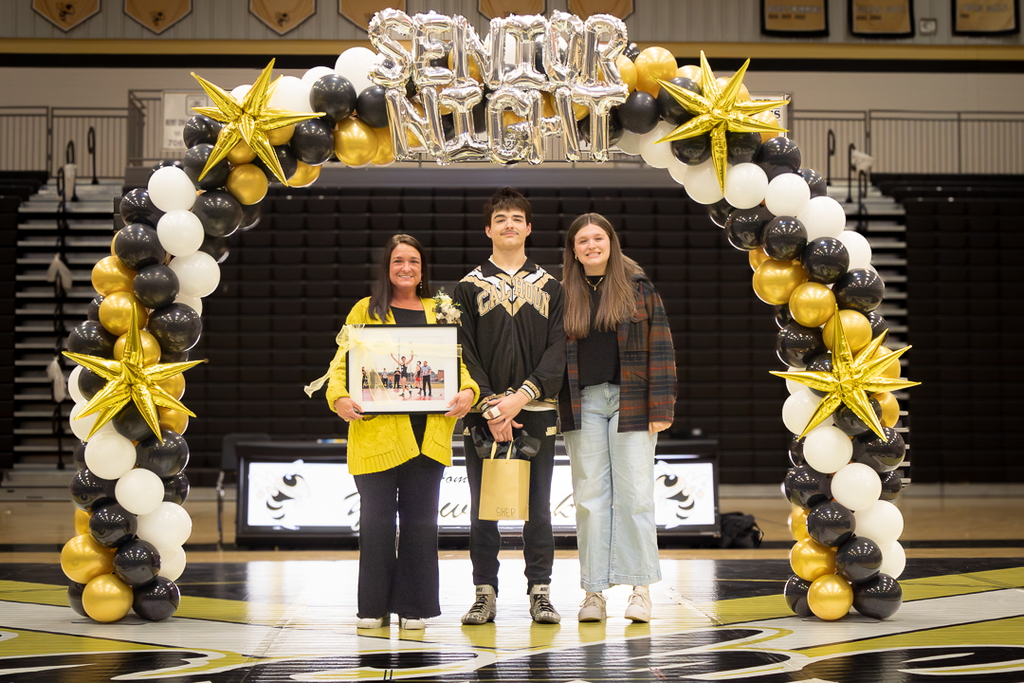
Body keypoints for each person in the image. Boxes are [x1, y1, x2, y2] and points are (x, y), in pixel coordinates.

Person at [320, 234, 479, 631]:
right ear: (386, 268)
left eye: (413, 261)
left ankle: (415, 607)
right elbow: (341, 365)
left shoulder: (441, 311)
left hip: (429, 438)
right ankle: (372, 608)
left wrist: (468, 392)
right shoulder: (366, 310)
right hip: (376, 437)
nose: (405, 267)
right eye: (398, 261)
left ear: (422, 269)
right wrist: (338, 397)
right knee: (375, 524)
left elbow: (461, 368)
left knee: (421, 525)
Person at [454, 187, 566, 625]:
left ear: (528, 228)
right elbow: (463, 352)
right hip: (484, 417)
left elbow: (559, 350)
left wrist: (521, 397)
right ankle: (485, 593)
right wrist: (491, 407)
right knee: (485, 508)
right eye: (500, 218)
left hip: (536, 411)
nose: (509, 225)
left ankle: (540, 592)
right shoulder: (467, 286)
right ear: (488, 229)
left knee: (538, 508)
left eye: (517, 218)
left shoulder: (552, 286)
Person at [557, 213, 676, 624]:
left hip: (633, 401)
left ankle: (640, 590)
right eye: (582, 241)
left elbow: (661, 345)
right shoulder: (562, 293)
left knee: (636, 497)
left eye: (598, 238)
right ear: (573, 249)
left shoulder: (638, 288)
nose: (591, 246)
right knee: (589, 500)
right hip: (583, 403)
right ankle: (593, 593)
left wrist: (662, 408)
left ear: (611, 242)